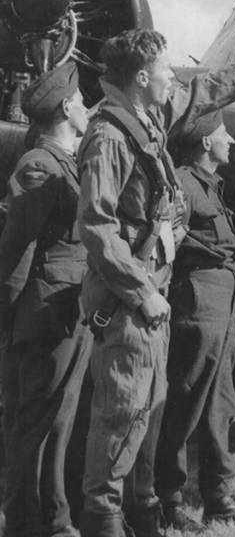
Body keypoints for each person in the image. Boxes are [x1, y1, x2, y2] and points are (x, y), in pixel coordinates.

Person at [76, 27, 235, 537]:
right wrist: (143, 291)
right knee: (121, 413)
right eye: (163, 72)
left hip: (150, 297)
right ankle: (102, 522)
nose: (172, 78)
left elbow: (203, 90)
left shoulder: (147, 118)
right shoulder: (110, 136)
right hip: (128, 298)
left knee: (149, 413)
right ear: (140, 78)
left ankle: (143, 514)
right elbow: (96, 226)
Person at [152, 110, 235, 531]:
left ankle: (218, 497)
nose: (231, 141)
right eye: (223, 135)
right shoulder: (182, 182)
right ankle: (166, 499)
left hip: (223, 300)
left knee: (220, 405)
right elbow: (163, 240)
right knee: (184, 402)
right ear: (204, 143)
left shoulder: (211, 187)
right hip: (198, 301)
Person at [0, 63, 91, 537]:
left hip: (68, 309)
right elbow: (18, 246)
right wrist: (11, 322)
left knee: (58, 421)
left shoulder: (67, 163)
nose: (87, 108)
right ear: (65, 109)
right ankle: (25, 524)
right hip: (46, 312)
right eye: (80, 101)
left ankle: (54, 521)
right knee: (36, 424)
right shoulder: (39, 165)